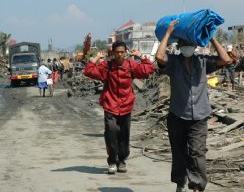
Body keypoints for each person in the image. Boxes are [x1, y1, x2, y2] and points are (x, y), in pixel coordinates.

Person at [155, 20, 232, 192]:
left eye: (190, 43)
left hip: (199, 116)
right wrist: (168, 33)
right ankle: (180, 183)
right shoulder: (174, 62)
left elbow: (226, 59)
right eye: (183, 44)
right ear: (179, 45)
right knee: (179, 152)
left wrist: (211, 38)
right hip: (177, 116)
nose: (187, 47)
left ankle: (197, 186)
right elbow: (159, 57)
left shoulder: (204, 62)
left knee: (198, 153)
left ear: (195, 45)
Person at [84, 41, 155, 174]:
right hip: (110, 105)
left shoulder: (131, 65)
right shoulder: (107, 66)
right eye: (117, 52)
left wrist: (141, 56)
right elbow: (89, 71)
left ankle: (121, 160)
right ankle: (112, 161)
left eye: (122, 52)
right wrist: (96, 58)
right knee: (111, 133)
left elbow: (148, 69)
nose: (120, 55)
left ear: (126, 52)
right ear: (113, 53)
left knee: (124, 135)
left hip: (126, 106)